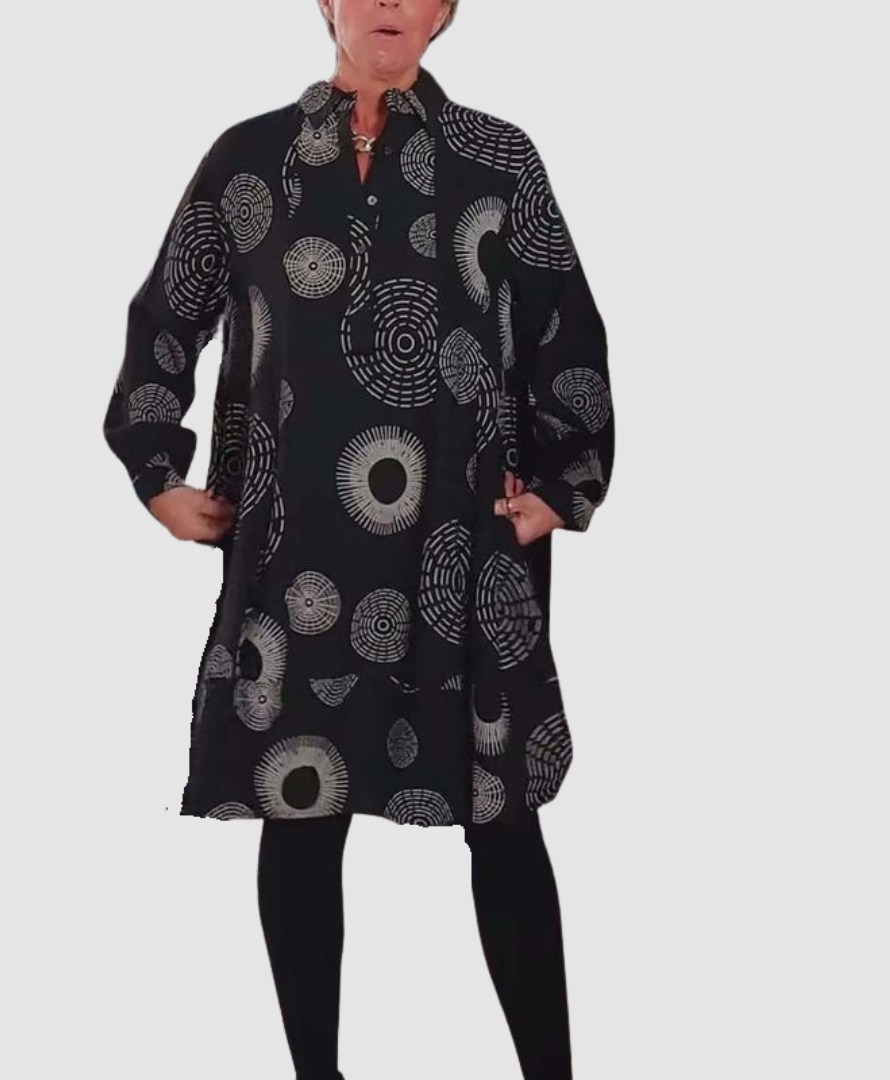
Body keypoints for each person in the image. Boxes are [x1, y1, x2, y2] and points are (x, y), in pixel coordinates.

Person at [103, 1, 614, 1076]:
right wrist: (156, 471)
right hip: (297, 546)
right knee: (302, 808)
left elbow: (566, 326)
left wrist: (563, 486)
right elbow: (167, 317)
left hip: (467, 544)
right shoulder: (249, 162)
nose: (389, 3)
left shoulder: (498, 160)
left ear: (445, 10)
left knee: (503, 819)